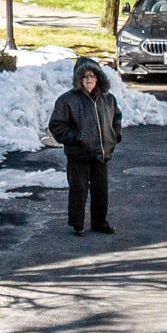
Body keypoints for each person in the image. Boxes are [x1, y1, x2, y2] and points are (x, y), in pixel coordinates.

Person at [47, 57, 122, 236]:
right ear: (79, 79)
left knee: (101, 191)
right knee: (78, 191)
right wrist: (76, 138)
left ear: (99, 78)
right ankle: (77, 224)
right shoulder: (67, 100)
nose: (89, 80)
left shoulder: (108, 99)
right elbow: (57, 125)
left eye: (93, 76)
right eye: (86, 76)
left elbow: (116, 118)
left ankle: (99, 222)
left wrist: (115, 135)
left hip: (101, 153)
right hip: (78, 155)